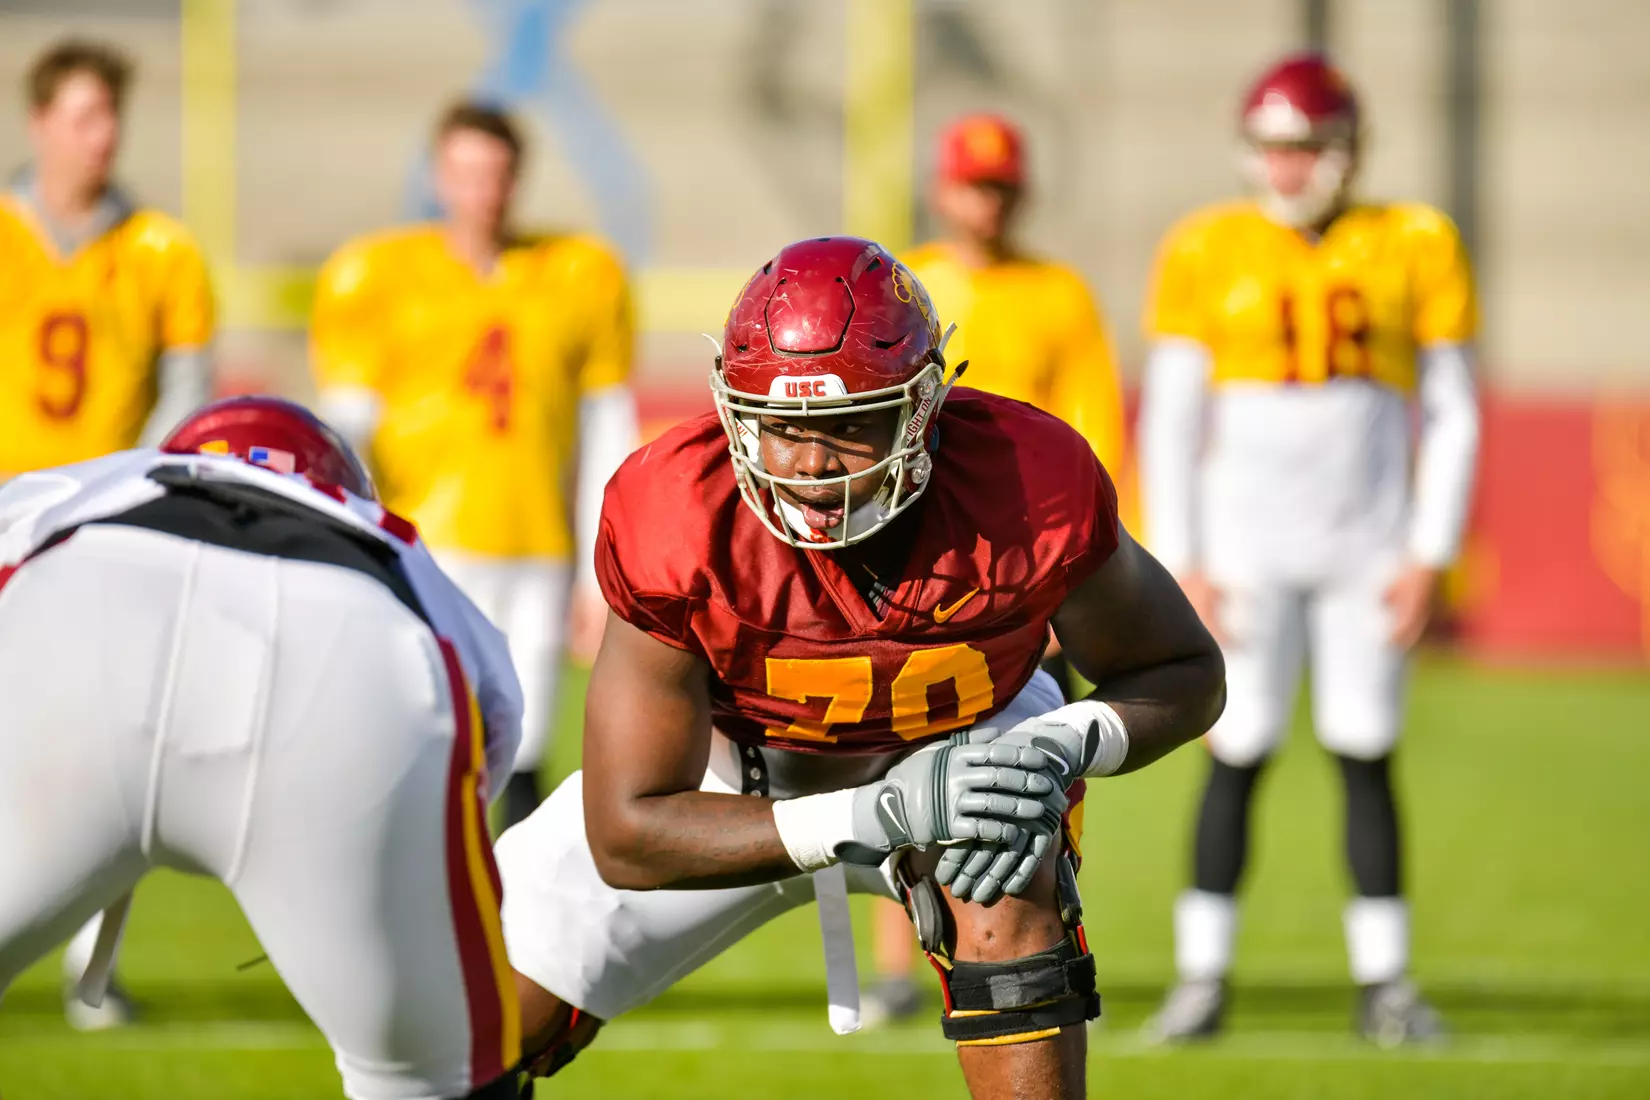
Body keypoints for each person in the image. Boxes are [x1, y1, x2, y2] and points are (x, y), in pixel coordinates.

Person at [493, 236, 1226, 1099]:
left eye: (848, 425)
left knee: (1006, 857)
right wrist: (872, 812)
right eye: (784, 427)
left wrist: (1061, 744)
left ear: (921, 408)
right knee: (469, 1024)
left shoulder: (1026, 479)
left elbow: (1186, 670)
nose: (811, 463)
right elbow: (628, 832)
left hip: (963, 751)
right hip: (735, 786)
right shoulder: (676, 510)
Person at [0, 396, 525, 1099]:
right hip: (343, 649)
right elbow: (493, 716)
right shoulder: (391, 538)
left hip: (88, 608)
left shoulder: (97, 480)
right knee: (441, 1080)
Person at [1137, 54, 1481, 1044]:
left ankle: (1387, 983)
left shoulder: (1415, 239)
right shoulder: (1206, 244)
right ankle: (1203, 979)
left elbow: (1453, 410)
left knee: (1365, 750)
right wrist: (1183, 560)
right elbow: (1170, 418)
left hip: (1366, 543)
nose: (1286, 167)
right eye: (1273, 147)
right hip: (1245, 549)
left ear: (1347, 151)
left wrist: (1429, 550)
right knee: (1235, 750)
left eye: (1305, 147)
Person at [863, 111, 1129, 1026]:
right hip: (925, 561)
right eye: (976, 185)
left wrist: (1069, 585)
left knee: (1041, 768)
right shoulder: (906, 286)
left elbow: (1093, 436)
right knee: (896, 758)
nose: (989, 203)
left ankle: (1043, 927)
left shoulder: (1059, 293)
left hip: (1027, 562)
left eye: (1002, 187)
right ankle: (898, 960)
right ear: (943, 190)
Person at [311, 99, 637, 832]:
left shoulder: (578, 274)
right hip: (428, 541)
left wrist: (600, 569)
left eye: (495, 174)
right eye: (465, 173)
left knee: (525, 750)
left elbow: (605, 426)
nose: (481, 192)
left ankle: (512, 905)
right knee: (427, 744)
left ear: (517, 179)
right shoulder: (377, 274)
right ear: (437, 177)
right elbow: (345, 428)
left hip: (535, 540)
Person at [1, 38, 218, 1028]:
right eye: (84, 115)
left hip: (106, 529)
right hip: (8, 519)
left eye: (112, 116)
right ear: (39, 121)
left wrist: (124, 493)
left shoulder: (163, 250)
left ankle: (94, 974)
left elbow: (184, 398)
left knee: (109, 758)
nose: (103, 136)